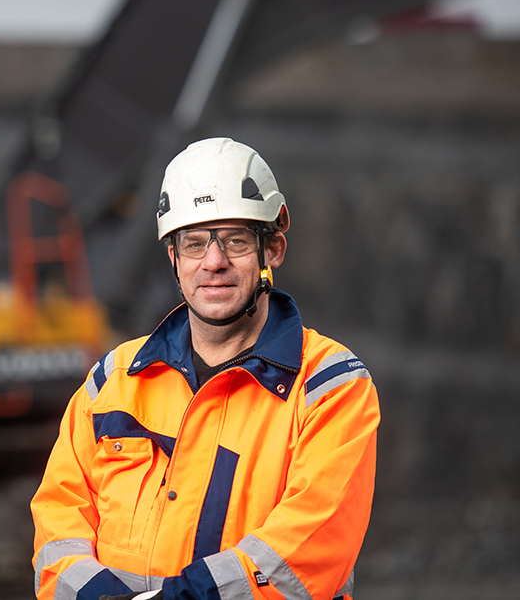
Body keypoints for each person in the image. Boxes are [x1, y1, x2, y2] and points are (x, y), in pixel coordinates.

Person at [30, 138, 379, 600]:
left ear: (272, 248)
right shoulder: (113, 381)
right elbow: (58, 525)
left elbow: (307, 550)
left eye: (234, 239)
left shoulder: (329, 387)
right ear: (173, 257)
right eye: (194, 243)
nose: (214, 262)